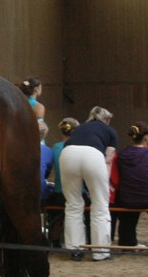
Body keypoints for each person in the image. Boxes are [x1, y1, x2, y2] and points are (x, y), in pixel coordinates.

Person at [59, 106, 117, 261]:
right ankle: (100, 252)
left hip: (68, 154)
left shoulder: (79, 128)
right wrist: (105, 184)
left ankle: (75, 250)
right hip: (94, 155)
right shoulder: (110, 131)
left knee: (73, 204)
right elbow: (108, 160)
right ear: (106, 119)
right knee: (100, 205)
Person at [46, 117, 82, 247]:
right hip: (78, 193)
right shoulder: (80, 147)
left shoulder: (56, 147)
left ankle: (55, 239)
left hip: (59, 193)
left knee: (55, 213)